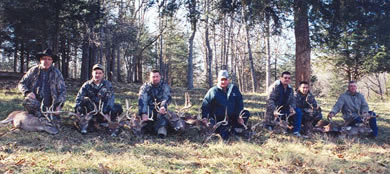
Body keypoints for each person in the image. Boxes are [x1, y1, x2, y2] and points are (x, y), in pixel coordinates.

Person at [18, 48, 67, 132]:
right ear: (40, 60)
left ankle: (42, 118)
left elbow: (62, 91)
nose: (46, 61)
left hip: (50, 105)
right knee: (27, 101)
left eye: (49, 59)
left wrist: (59, 106)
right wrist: (27, 92)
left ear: (52, 61)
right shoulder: (33, 70)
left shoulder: (56, 73)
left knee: (57, 125)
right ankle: (39, 116)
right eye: (44, 59)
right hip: (35, 103)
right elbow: (21, 83)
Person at [201, 70, 250, 140]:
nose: (223, 82)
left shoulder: (234, 89)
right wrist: (204, 117)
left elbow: (240, 103)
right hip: (219, 120)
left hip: (233, 117)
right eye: (221, 80)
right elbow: (205, 105)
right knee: (223, 135)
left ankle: (235, 128)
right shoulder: (213, 91)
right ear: (218, 80)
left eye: (225, 79)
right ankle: (229, 131)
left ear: (228, 80)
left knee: (246, 113)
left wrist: (239, 116)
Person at [74, 64, 123, 134]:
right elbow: (79, 98)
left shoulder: (107, 84)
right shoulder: (86, 85)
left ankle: (104, 121)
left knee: (118, 107)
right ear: (92, 73)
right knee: (84, 101)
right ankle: (88, 122)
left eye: (100, 73)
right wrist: (77, 110)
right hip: (91, 110)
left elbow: (111, 99)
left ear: (103, 74)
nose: (97, 75)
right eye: (96, 73)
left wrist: (106, 112)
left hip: (103, 110)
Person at [265, 71, 302, 136]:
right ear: (281, 78)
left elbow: (292, 101)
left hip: (285, 109)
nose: (287, 79)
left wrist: (292, 108)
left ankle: (296, 131)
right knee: (271, 126)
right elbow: (270, 100)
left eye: (289, 78)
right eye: (285, 78)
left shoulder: (290, 89)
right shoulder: (274, 87)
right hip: (275, 110)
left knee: (298, 111)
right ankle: (270, 125)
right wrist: (274, 110)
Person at [138, 69, 172, 138]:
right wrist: (143, 113)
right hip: (148, 110)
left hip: (160, 110)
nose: (155, 78)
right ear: (150, 78)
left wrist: (163, 106)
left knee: (164, 117)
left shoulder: (165, 86)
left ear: (160, 77)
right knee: (142, 122)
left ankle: (161, 131)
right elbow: (142, 99)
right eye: (153, 77)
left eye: (157, 76)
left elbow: (166, 98)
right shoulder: (145, 87)